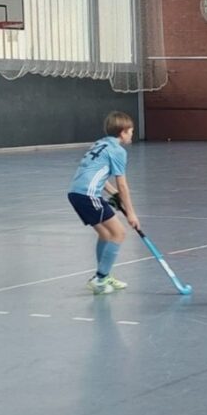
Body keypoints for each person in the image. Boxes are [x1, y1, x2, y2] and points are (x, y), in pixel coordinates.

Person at [67, 111, 140, 295]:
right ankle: (100, 279)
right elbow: (122, 185)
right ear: (123, 132)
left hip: (76, 193)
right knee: (119, 233)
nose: (132, 134)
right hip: (88, 195)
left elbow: (99, 174)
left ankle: (104, 276)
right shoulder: (118, 151)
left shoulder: (100, 143)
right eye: (131, 131)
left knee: (106, 234)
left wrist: (113, 194)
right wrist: (131, 213)